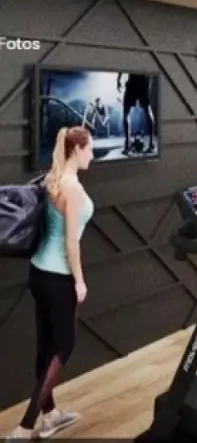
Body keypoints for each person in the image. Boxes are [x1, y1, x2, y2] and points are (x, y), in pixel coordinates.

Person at [6, 127, 94, 441]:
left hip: (39, 274)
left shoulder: (51, 179)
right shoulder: (72, 188)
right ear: (78, 150)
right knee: (64, 346)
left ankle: (51, 415)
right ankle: (24, 427)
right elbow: (71, 243)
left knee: (45, 347)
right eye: (90, 149)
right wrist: (79, 281)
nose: (93, 155)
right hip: (59, 278)